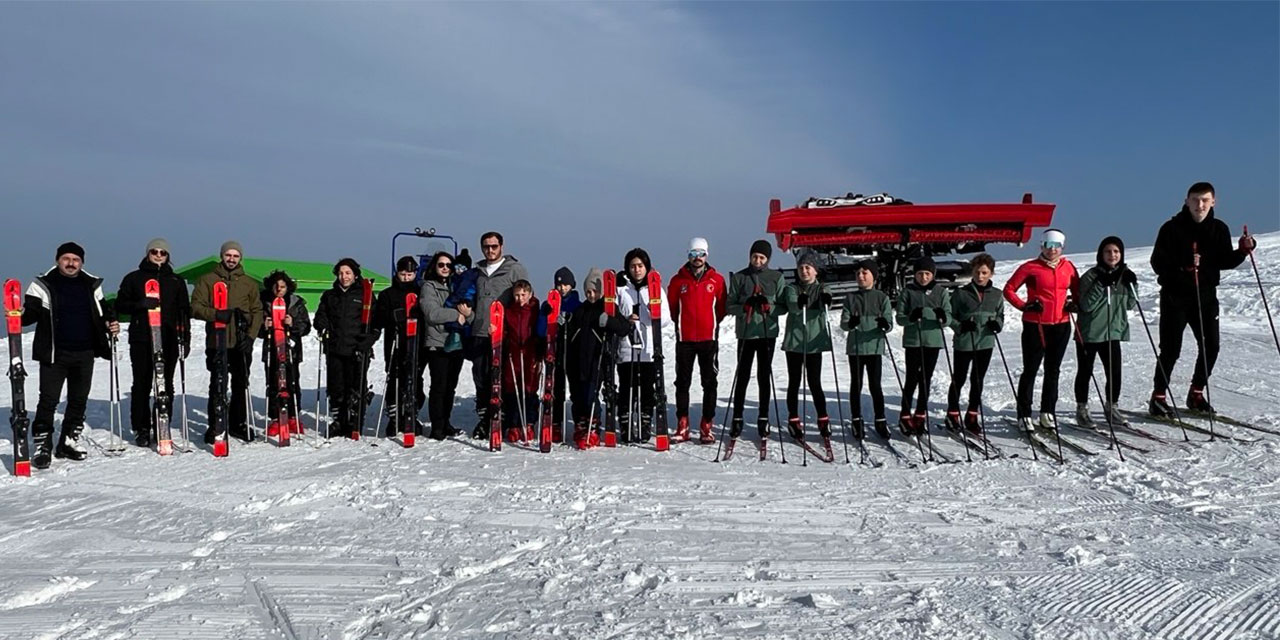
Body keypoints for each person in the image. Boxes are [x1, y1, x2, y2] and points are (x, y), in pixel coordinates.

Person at [1148, 181, 1256, 415]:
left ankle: (1196, 393)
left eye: (1205, 200)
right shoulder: (1171, 228)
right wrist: (1183, 266)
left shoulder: (1219, 228)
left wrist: (1243, 251)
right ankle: (1158, 396)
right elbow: (1157, 263)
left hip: (1206, 296)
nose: (1200, 205)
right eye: (1195, 199)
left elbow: (1224, 261)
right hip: (1175, 296)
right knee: (1170, 349)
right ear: (1186, 201)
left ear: (1213, 202)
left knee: (1211, 346)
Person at [20, 242, 119, 468]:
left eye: (76, 259)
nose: (71, 263)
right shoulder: (42, 284)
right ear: (58, 260)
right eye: (66, 259)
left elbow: (103, 311)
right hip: (55, 353)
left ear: (81, 262)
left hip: (85, 352)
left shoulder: (91, 284)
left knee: (78, 399)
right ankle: (42, 443)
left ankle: (68, 440)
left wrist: (110, 324)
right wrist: (17, 315)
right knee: (48, 400)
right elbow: (30, 314)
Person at [114, 238, 191, 448]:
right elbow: (121, 304)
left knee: (165, 383)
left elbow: (184, 311)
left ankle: (161, 425)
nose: (158, 255)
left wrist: (185, 337)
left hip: (168, 337)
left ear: (168, 256)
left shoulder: (176, 281)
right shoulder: (134, 278)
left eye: (163, 253)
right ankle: (141, 428)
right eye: (154, 251)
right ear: (148, 253)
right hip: (142, 337)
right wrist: (140, 304)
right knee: (142, 383)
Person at [1003, 229, 1080, 433]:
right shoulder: (1030, 268)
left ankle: (1048, 411)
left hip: (1061, 324)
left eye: (1056, 246)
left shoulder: (1069, 267)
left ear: (1062, 247)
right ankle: (1024, 413)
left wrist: (1073, 304)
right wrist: (1024, 306)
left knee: (1053, 370)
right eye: (1048, 245)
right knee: (1031, 369)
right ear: (1042, 246)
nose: (1052, 250)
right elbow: (1009, 289)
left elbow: (1077, 290)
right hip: (1035, 324)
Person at [191, 240, 264, 443]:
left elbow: (257, 311)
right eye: (228, 255)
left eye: (235, 256)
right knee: (218, 383)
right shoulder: (207, 280)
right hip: (217, 341)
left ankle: (238, 423)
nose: (231, 259)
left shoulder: (248, 283)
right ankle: (216, 424)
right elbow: (195, 307)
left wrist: (250, 336)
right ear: (222, 256)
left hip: (240, 342)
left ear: (240, 258)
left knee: (241, 383)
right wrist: (215, 314)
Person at [465, 231, 530, 439]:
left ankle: (504, 419)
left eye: (494, 246)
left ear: (501, 246)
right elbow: (472, 299)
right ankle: (485, 419)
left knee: (503, 378)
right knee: (482, 378)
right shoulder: (478, 271)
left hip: (504, 334)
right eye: (486, 246)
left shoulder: (514, 269)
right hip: (481, 332)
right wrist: (469, 317)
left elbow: (524, 297)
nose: (490, 250)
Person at [667, 237, 727, 443]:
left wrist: (710, 324)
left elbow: (721, 308)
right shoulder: (677, 281)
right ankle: (682, 424)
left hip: (708, 340)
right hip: (685, 340)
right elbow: (673, 308)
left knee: (709, 382)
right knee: (682, 382)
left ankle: (706, 424)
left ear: (706, 255)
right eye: (693, 254)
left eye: (701, 254)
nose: (697, 258)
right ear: (688, 256)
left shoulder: (716, 280)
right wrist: (682, 324)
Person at [1072, 237, 1137, 427]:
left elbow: (1131, 304)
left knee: (1114, 372)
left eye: (1116, 252)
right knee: (1085, 372)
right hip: (1090, 332)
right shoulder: (1091, 276)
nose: (1112, 255)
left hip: (1112, 331)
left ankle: (1111, 407)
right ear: (1101, 254)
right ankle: (1082, 408)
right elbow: (1085, 305)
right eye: (1108, 252)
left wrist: (1133, 285)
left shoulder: (1124, 275)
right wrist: (1101, 284)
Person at [313, 258, 380, 438]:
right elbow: (319, 317)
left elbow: (376, 323)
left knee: (355, 387)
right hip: (335, 348)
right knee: (336, 388)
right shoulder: (330, 296)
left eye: (348, 273)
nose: (344, 277)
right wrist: (323, 326)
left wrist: (368, 340)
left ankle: (354, 421)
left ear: (355, 274)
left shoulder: (365, 295)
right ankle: (338, 420)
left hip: (356, 349)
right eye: (341, 273)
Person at [725, 240, 783, 445]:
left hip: (766, 333)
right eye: (754, 257)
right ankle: (737, 417)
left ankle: (763, 417)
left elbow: (783, 306)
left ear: (767, 259)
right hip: (746, 333)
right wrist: (744, 305)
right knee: (742, 376)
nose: (757, 261)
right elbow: (729, 305)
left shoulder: (776, 277)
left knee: (763, 376)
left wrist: (769, 306)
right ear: (750, 256)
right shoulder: (741, 277)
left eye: (762, 258)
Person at [775, 250, 833, 450]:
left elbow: (826, 298)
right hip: (795, 342)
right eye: (801, 268)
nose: (804, 272)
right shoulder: (793, 289)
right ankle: (793, 417)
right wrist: (798, 303)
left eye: (808, 268)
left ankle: (823, 419)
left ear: (815, 271)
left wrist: (825, 301)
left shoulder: (821, 288)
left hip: (813, 343)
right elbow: (792, 304)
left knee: (815, 382)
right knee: (794, 381)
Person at [565, 268, 630, 449]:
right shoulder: (580, 311)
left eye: (594, 291)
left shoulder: (608, 307)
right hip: (578, 360)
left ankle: (593, 425)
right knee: (577, 394)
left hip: (598, 359)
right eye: (588, 291)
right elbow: (571, 333)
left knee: (591, 394)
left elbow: (624, 328)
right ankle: (580, 424)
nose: (591, 295)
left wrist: (609, 321)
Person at [945, 254, 1003, 435]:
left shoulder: (997, 294)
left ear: (991, 274)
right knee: (959, 378)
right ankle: (953, 413)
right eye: (977, 272)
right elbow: (949, 316)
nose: (980, 276)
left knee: (977, 379)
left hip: (985, 342)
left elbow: (1000, 315)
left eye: (984, 272)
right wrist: (960, 326)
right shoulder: (961, 293)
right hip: (964, 342)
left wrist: (997, 325)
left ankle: (972, 414)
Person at [615, 249, 668, 443]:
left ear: (646, 267)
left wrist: (647, 314)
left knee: (646, 389)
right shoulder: (621, 289)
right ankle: (626, 424)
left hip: (648, 349)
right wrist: (626, 320)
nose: (637, 270)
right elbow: (613, 315)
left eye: (640, 266)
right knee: (626, 388)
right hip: (627, 348)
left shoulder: (655, 289)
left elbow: (666, 319)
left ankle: (645, 422)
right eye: (633, 266)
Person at [895, 257, 951, 436]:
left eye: (927, 274)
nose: (923, 277)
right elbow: (900, 318)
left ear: (933, 274)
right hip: (913, 341)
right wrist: (911, 317)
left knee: (926, 379)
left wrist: (942, 317)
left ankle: (920, 413)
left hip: (932, 341)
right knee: (911, 378)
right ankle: (905, 414)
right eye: (920, 274)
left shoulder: (940, 292)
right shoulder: (908, 291)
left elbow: (948, 317)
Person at [373, 256, 428, 437]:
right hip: (395, 342)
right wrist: (392, 317)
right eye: (403, 274)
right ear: (397, 273)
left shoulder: (421, 292)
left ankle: (411, 413)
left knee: (415, 379)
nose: (406, 278)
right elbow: (379, 319)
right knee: (395, 379)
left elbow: (428, 315)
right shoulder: (387, 294)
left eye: (409, 274)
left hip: (416, 343)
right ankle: (394, 417)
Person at [840, 259, 894, 440]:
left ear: (874, 276)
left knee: (875, 385)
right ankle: (856, 420)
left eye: (865, 273)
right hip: (855, 347)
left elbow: (889, 323)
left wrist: (885, 324)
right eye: (858, 274)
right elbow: (844, 324)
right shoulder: (851, 298)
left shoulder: (881, 298)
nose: (861, 276)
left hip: (874, 347)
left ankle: (880, 420)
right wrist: (850, 323)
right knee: (856, 384)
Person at [419, 252, 467, 440]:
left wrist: (467, 313)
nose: (445, 268)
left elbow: (468, 313)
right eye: (441, 265)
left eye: (448, 265)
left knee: (450, 387)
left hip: (456, 342)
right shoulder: (429, 287)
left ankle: (446, 422)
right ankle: (437, 426)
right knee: (438, 386)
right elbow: (432, 313)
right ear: (434, 267)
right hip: (437, 343)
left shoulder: (457, 285)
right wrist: (457, 315)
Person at [259, 270, 311, 435]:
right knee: (274, 383)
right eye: (276, 286)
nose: (279, 289)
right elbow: (254, 327)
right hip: (272, 348)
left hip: (291, 348)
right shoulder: (263, 302)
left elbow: (306, 326)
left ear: (288, 287)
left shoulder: (296, 303)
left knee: (292, 381)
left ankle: (293, 416)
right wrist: (263, 326)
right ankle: (275, 417)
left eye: (282, 286)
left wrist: (293, 322)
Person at [536, 267, 581, 441]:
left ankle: (579, 423)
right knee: (556, 389)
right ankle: (554, 423)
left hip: (572, 353)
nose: (562, 288)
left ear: (572, 285)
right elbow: (541, 331)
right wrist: (544, 315)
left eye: (566, 285)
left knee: (576, 391)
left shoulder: (577, 305)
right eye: (559, 285)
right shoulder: (549, 304)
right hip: (554, 353)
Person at [501, 280, 541, 442]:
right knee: (512, 389)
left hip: (530, 354)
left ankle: (529, 422)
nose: (520, 298)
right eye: (517, 295)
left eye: (523, 295)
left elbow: (540, 330)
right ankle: (514, 424)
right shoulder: (510, 310)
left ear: (530, 294)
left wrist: (540, 352)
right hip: (513, 354)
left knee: (529, 389)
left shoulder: (535, 309)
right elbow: (505, 330)